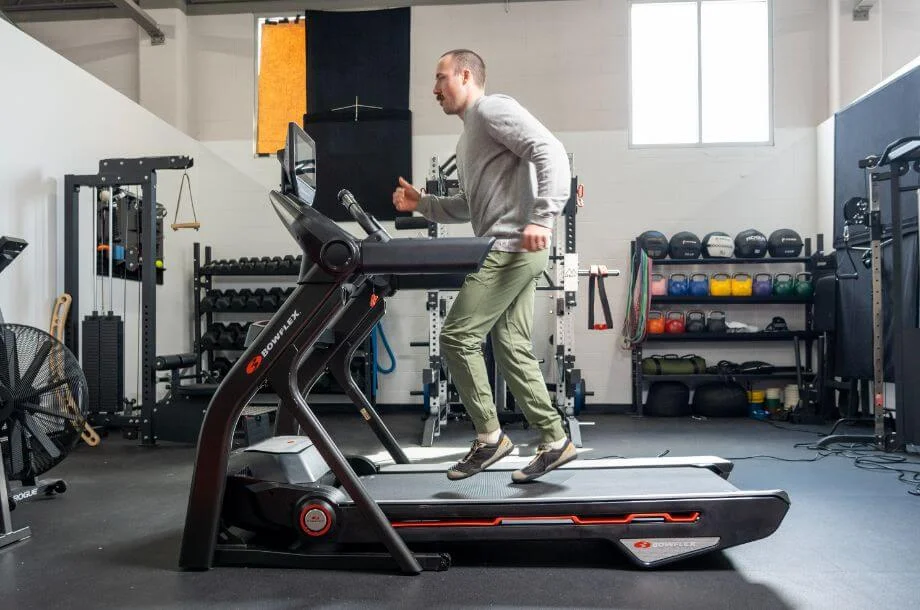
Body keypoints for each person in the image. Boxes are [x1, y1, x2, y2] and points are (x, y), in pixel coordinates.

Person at [392, 49, 576, 483]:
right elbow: (468, 206)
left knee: (456, 336)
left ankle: (490, 438)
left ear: (466, 75)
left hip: (512, 246)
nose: (435, 89)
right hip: (511, 244)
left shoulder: (492, 110)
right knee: (510, 345)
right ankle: (554, 440)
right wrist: (424, 204)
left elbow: (551, 150)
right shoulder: (468, 135)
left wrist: (542, 216)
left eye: (440, 78)